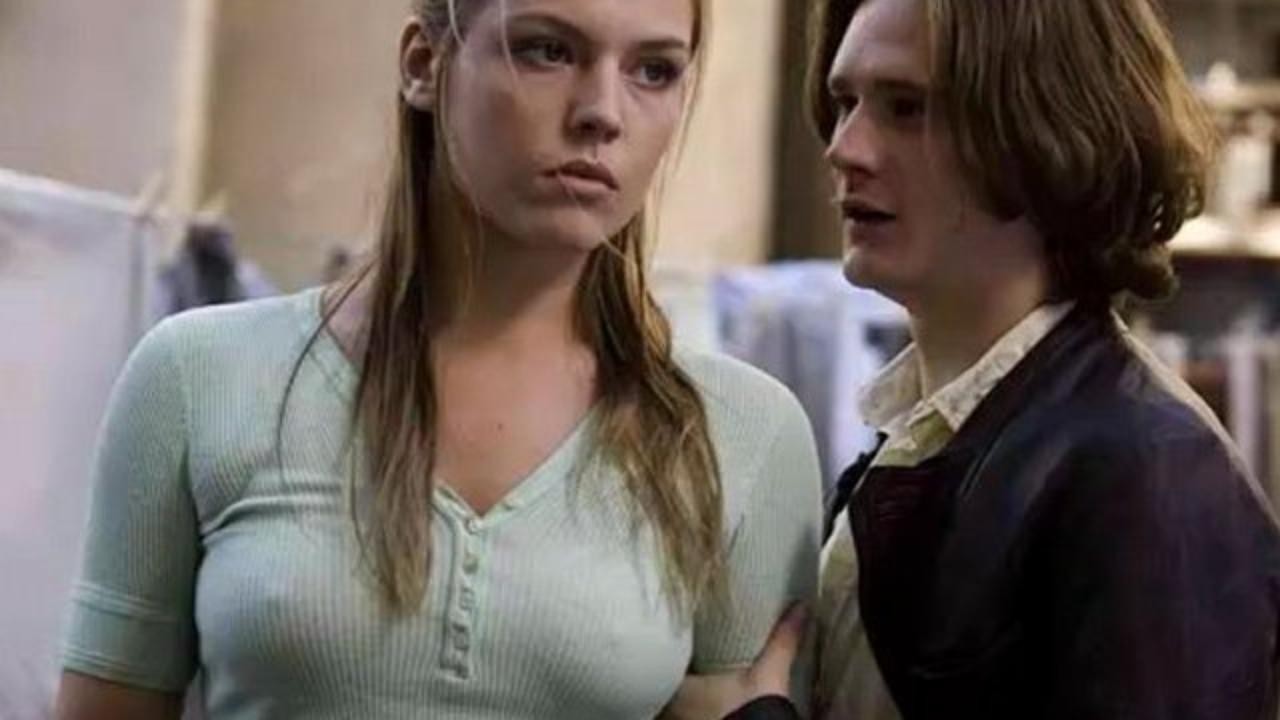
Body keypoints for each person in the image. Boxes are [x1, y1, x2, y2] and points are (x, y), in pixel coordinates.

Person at [54, 1, 821, 717]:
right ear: (424, 65)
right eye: (548, 51)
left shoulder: (738, 435)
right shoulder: (200, 377)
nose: (602, 113)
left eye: (654, 70)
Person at [666, 0, 1280, 718]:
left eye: (907, 108)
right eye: (845, 102)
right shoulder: (935, 436)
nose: (845, 147)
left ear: (1042, 131)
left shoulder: (1147, 469)